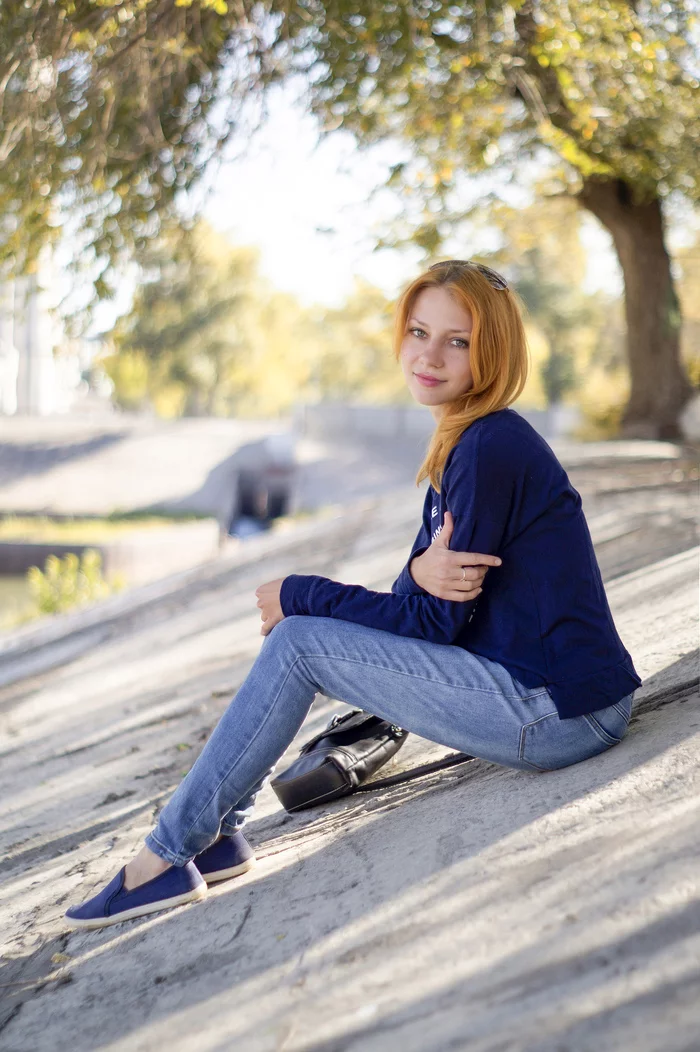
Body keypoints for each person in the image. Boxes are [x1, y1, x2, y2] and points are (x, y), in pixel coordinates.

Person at [65, 260, 642, 930]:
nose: (428, 354)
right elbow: (420, 601)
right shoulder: (470, 438)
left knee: (298, 640)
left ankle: (167, 857)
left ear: (493, 351)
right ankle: (216, 832)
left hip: (560, 713)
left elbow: (429, 625)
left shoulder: (489, 451)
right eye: (419, 331)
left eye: (457, 340)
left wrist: (303, 591)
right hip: (557, 696)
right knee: (299, 635)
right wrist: (420, 572)